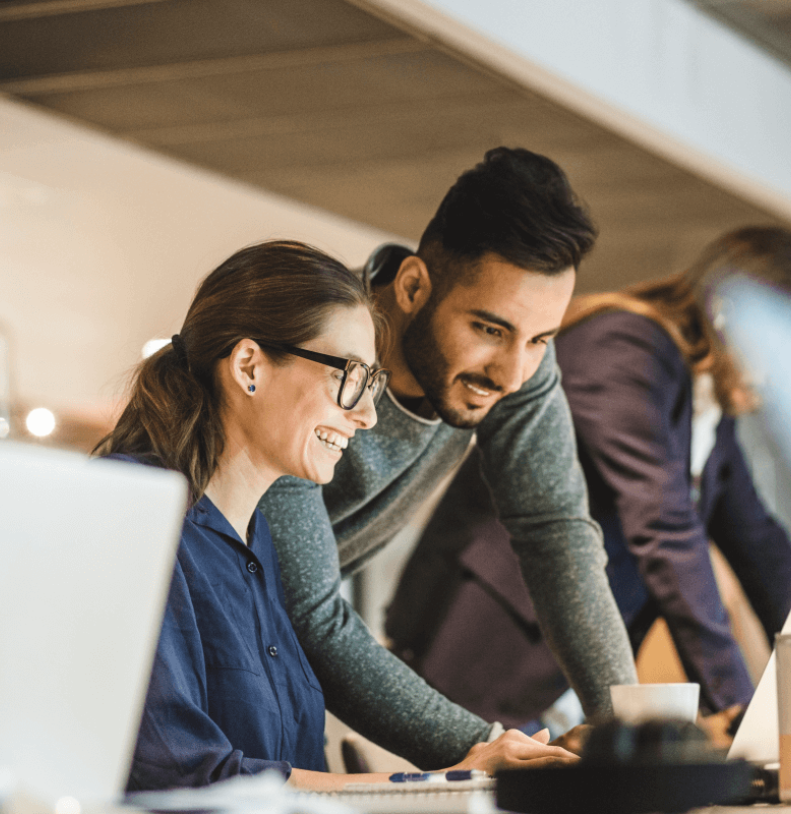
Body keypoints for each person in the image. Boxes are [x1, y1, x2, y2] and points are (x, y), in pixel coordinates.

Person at [386, 226, 791, 758]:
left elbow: (761, 545)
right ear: (728, 315)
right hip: (493, 631)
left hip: (571, 659)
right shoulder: (626, 349)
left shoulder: (706, 401)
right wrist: (740, 712)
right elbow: (666, 530)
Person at [95, 240, 577, 790]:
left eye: (372, 383)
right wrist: (439, 784)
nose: (368, 415)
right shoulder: (134, 515)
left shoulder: (258, 544)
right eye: (349, 377)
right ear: (250, 366)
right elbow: (183, 772)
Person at [257, 147, 638, 771]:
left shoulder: (514, 366)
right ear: (412, 286)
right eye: (489, 329)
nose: (513, 374)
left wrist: (630, 729)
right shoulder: (315, 349)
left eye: (540, 340)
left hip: (273, 655)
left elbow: (556, 532)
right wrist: (482, 748)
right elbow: (308, 611)